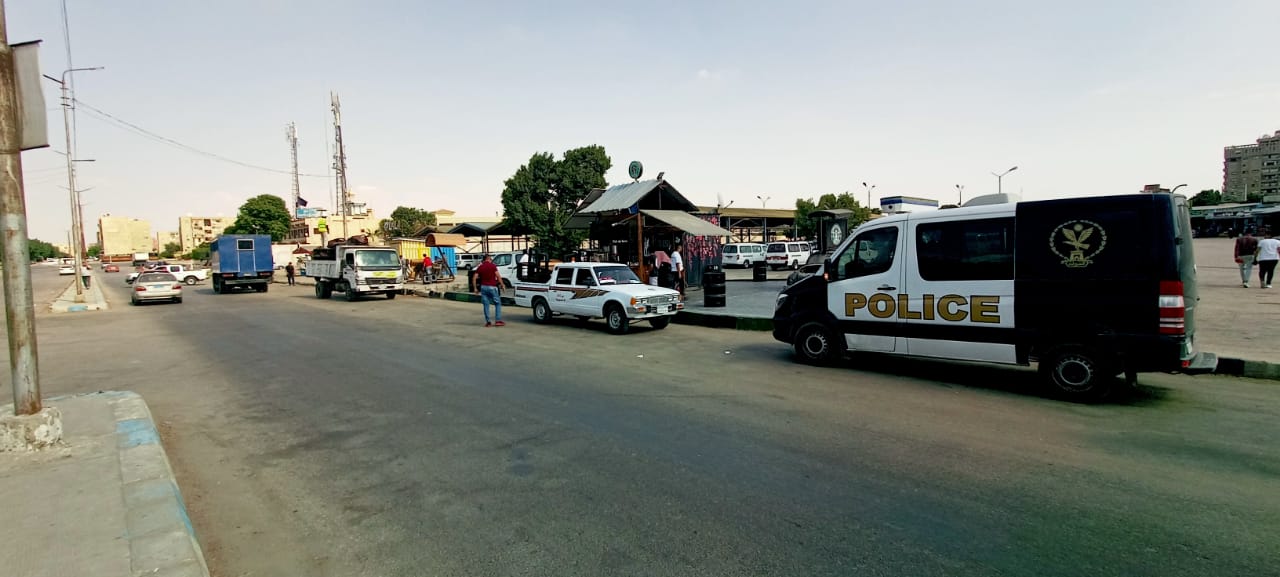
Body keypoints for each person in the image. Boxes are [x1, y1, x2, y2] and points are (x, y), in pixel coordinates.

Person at [474, 254, 505, 327]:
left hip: (483, 287)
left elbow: (474, 277)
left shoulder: (480, 267)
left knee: (486, 305)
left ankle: (488, 322)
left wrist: (475, 288)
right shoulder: (493, 266)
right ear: (488, 259)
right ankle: (498, 321)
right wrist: (502, 285)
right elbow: (498, 276)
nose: (491, 260)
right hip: (492, 287)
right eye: (491, 259)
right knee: (497, 303)